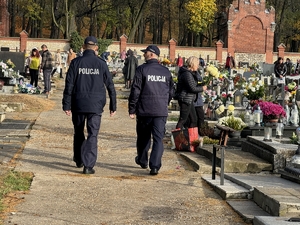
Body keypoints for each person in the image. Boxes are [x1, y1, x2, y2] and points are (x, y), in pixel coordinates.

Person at [62, 36, 117, 174]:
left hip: (78, 103)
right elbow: (110, 85)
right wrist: (113, 106)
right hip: (95, 105)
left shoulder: (76, 63)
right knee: (93, 134)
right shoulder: (101, 63)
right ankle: (88, 165)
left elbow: (69, 85)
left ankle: (79, 159)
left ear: (83, 46)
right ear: (96, 48)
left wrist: (66, 104)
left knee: (79, 132)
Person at [128, 45, 173, 176]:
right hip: (160, 110)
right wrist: (165, 103)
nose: (144, 54)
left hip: (145, 109)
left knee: (143, 137)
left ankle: (143, 160)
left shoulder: (142, 69)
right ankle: (155, 166)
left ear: (152, 54)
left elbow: (135, 90)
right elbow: (171, 91)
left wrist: (132, 108)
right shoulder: (165, 71)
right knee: (158, 139)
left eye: (146, 52)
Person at [175, 56, 207, 137]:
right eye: (197, 64)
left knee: (194, 119)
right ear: (193, 64)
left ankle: (192, 137)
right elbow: (192, 88)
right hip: (185, 99)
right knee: (183, 119)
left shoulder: (190, 73)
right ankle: (176, 137)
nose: (198, 66)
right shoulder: (187, 74)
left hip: (189, 99)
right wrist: (202, 88)